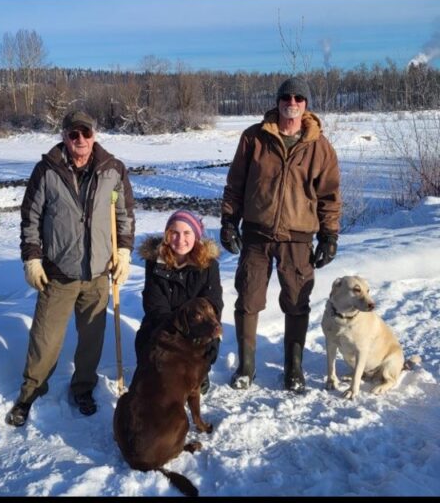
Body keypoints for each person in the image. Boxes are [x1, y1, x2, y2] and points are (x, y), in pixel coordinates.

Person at [6, 110, 136, 427]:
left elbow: (124, 214)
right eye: (73, 134)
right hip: (58, 273)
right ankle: (30, 393)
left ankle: (83, 389)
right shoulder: (46, 171)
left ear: (95, 135)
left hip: (96, 275)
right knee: (45, 339)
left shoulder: (113, 171)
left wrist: (123, 250)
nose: (80, 140)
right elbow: (31, 219)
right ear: (64, 135)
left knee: (91, 340)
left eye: (86, 133)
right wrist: (32, 258)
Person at [220, 76, 342, 393]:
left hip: (298, 237)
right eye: (286, 98)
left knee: (296, 302)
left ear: (306, 105)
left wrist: (329, 236)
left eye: (298, 99)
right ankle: (246, 367)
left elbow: (329, 196)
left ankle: (294, 368)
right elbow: (235, 184)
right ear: (277, 102)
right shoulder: (254, 138)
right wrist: (229, 222)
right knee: (248, 299)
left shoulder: (320, 147)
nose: (292, 103)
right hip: (257, 235)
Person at [135, 209, 223, 394]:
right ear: (167, 235)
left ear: (196, 236)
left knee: (208, 337)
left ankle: (199, 372)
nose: (180, 239)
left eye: (187, 233)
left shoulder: (209, 264)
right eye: (174, 233)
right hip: (165, 324)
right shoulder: (155, 262)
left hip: (197, 325)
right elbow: (154, 303)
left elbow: (213, 300)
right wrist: (175, 332)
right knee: (146, 340)